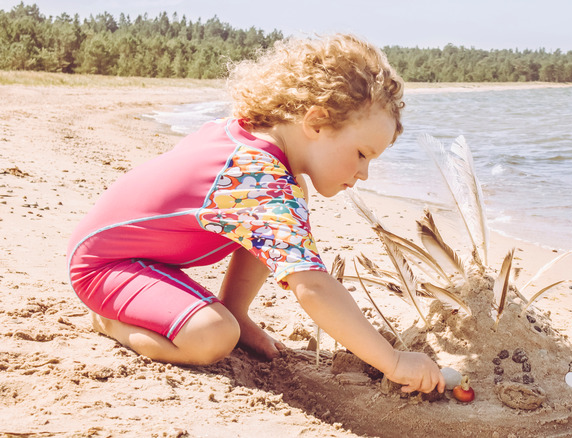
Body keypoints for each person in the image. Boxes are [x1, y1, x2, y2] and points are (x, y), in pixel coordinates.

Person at [67, 34, 444, 394]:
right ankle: (110, 322)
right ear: (315, 122)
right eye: (362, 154)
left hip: (138, 256)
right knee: (213, 336)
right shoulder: (258, 179)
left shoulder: (251, 142)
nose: (363, 174)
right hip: (106, 265)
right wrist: (393, 361)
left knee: (290, 201)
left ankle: (236, 311)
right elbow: (312, 288)